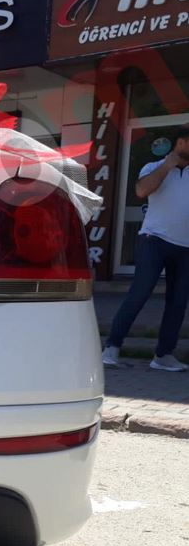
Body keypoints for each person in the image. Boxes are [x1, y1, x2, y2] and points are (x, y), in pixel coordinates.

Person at [103, 124, 189, 371]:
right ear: (181, 143)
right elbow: (141, 190)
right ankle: (111, 349)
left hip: (185, 248)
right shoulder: (153, 167)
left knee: (178, 302)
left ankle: (163, 355)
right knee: (139, 294)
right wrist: (167, 166)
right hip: (154, 241)